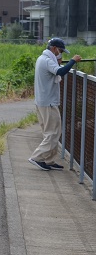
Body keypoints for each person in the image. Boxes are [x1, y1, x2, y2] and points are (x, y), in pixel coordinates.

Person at [28, 37, 81, 171]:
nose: (60, 53)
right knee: (52, 133)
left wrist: (62, 62)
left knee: (51, 132)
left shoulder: (43, 59)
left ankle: (49, 160)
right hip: (48, 103)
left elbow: (58, 69)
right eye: (60, 51)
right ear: (54, 49)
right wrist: (73, 61)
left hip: (43, 102)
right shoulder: (46, 60)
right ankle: (37, 157)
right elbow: (60, 71)